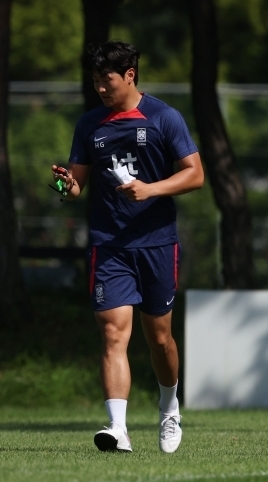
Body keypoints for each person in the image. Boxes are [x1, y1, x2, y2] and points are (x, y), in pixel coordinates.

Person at [52, 41, 204, 453]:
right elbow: (77, 185)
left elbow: (195, 175)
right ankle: (117, 428)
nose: (101, 89)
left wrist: (151, 189)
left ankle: (169, 407)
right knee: (112, 333)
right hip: (110, 244)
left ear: (130, 75)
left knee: (159, 340)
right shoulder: (90, 124)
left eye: (108, 81)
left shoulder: (163, 118)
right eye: (96, 81)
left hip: (156, 243)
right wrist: (66, 184)